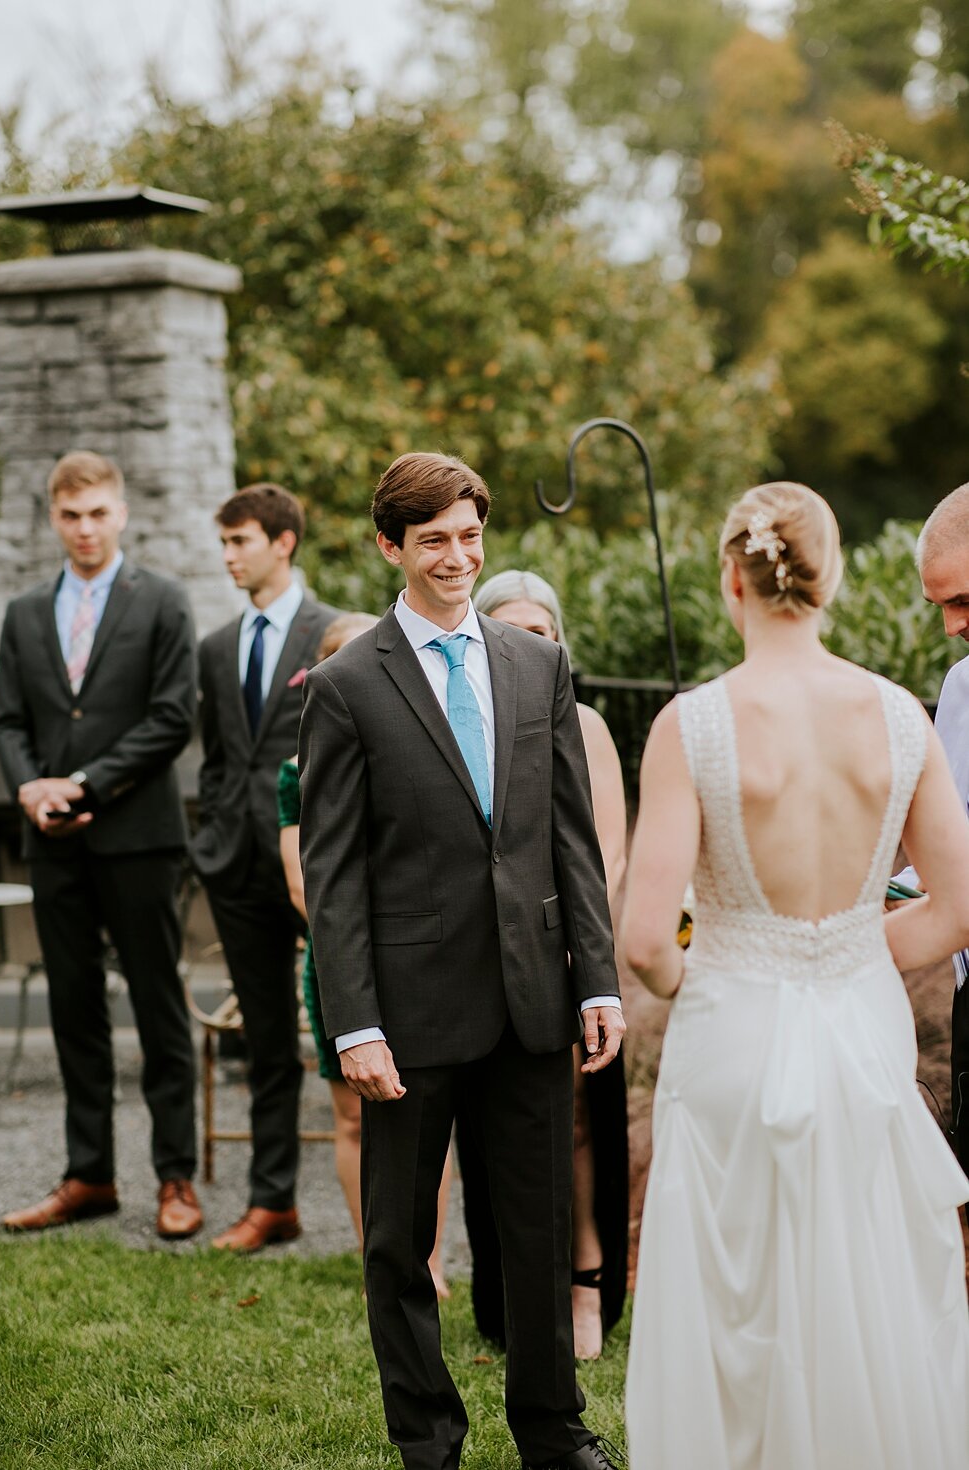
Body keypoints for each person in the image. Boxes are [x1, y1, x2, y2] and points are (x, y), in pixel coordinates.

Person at [621, 480, 969, 1469]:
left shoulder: (691, 727)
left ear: (729, 577)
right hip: (859, 1030)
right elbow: (955, 908)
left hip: (731, 1031)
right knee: (865, 1282)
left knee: (736, 1299)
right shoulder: (899, 719)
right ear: (832, 580)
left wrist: (728, 971)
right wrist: (845, 957)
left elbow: (647, 939)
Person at [299, 451, 625, 1470]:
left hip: (530, 1000)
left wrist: (597, 977)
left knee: (531, 1234)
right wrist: (353, 1023)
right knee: (398, 1244)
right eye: (432, 538)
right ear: (391, 546)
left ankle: (552, 1432)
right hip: (404, 1013)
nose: (456, 556)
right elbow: (333, 870)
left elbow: (568, 837)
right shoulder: (348, 684)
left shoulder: (537, 667)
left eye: (470, 534)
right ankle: (427, 1441)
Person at [0, 450, 201, 1240]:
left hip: (139, 837)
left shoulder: (164, 601)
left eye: (98, 513)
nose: (85, 529)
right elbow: (6, 719)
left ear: (121, 513)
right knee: (73, 1012)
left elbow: (173, 716)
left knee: (157, 1008)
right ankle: (89, 1176)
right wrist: (28, 787)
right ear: (54, 518)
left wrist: (79, 783)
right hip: (51, 844)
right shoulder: (21, 613)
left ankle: (175, 1178)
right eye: (71, 516)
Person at [471, 569, 629, 1360]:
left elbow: (608, 855)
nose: (531, 648)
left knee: (571, 1129)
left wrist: (583, 960)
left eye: (544, 634)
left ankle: (586, 1282)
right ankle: (506, 1293)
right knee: (494, 1134)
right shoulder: (463, 715)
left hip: (565, 958)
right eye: (513, 632)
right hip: (478, 966)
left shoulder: (586, 723)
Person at [277, 609, 453, 1296]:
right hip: (339, 955)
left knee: (429, 1109)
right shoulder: (296, 772)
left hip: (423, 961)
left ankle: (430, 1259)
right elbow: (303, 881)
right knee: (351, 1115)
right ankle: (374, 1254)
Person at [193, 482, 340, 1253]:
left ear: (282, 543)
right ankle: (271, 1202)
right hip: (236, 866)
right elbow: (219, 757)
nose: (227, 556)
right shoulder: (215, 647)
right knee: (268, 1040)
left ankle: (384, 1211)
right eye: (222, 543)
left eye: (239, 541)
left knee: (357, 1025)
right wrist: (213, 837)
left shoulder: (339, 633)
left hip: (319, 862)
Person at [900, 482, 969, 1221]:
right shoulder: (962, 686)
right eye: (941, 606)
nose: (952, 627)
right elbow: (950, 840)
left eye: (965, 602)